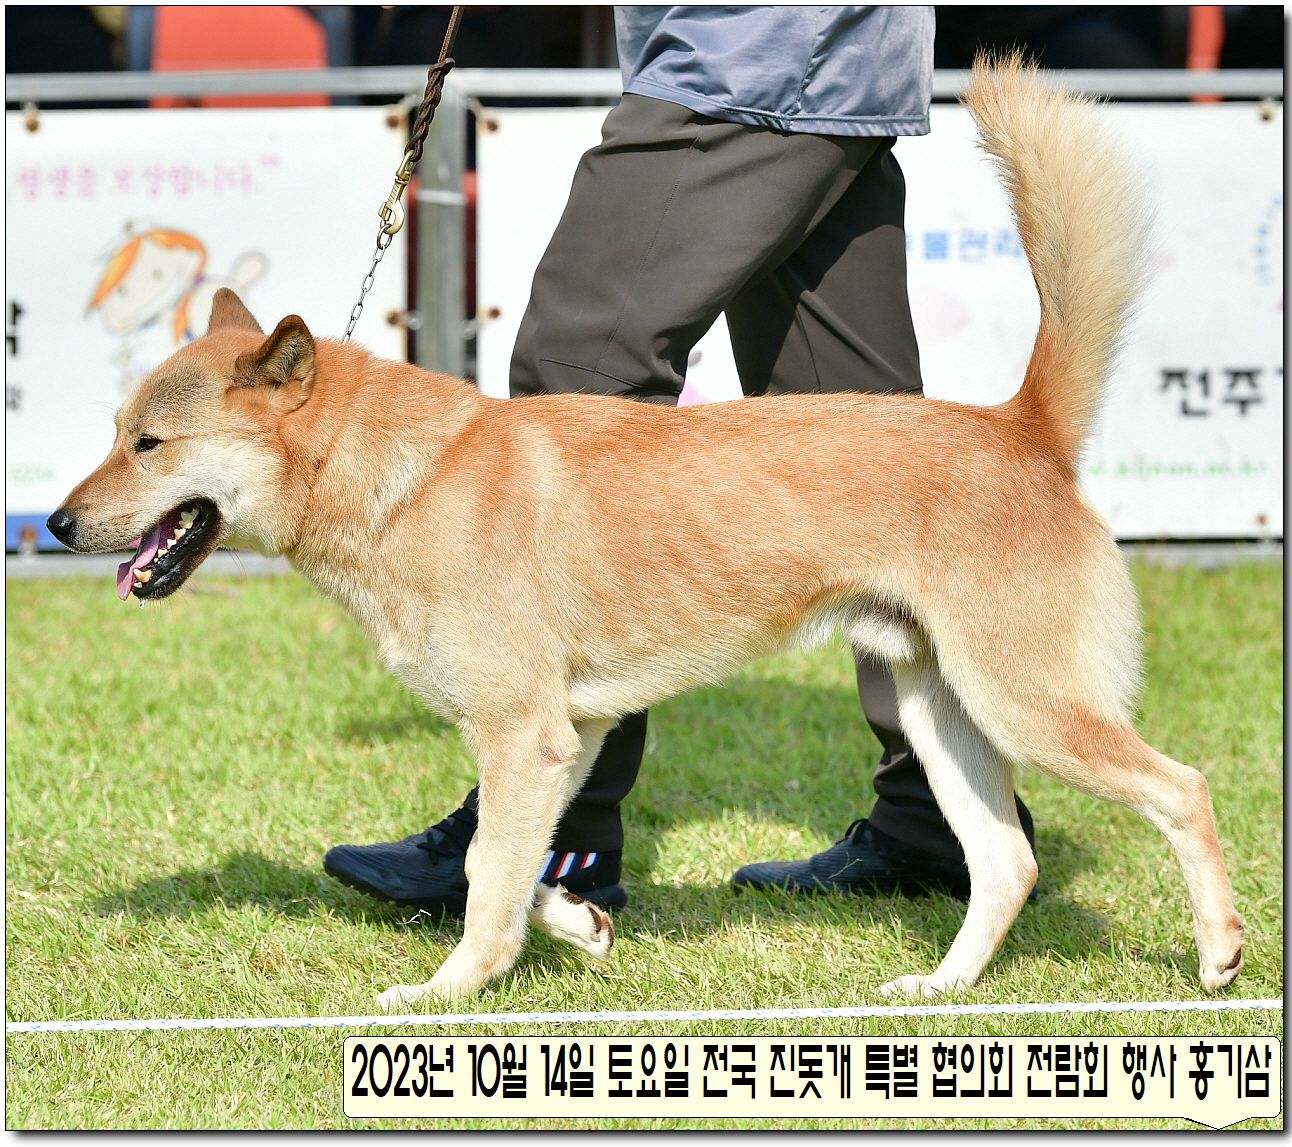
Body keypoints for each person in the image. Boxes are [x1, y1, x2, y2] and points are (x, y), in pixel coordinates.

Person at [324, 5, 1035, 916]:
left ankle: (558, 836)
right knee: (871, 452)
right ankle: (942, 816)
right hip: (839, 57)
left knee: (574, 376)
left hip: (747, 50)